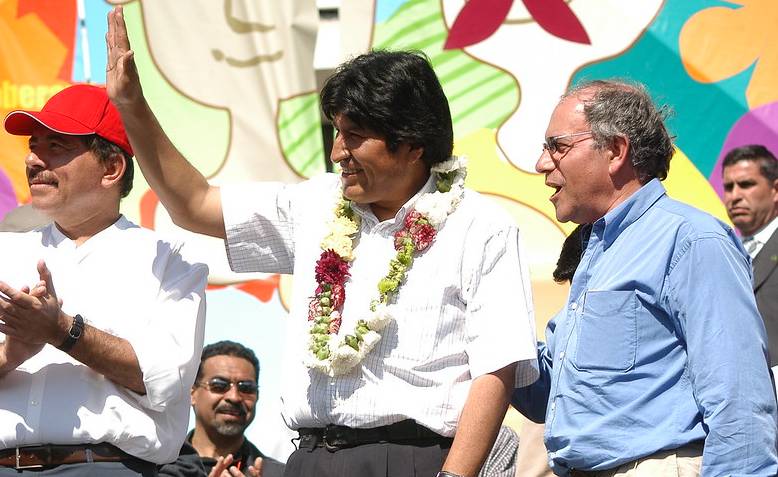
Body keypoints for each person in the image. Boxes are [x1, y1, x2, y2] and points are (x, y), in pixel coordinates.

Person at [106, 7, 539, 477]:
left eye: (355, 136)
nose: (337, 153)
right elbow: (193, 204)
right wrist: (131, 104)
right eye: (335, 132)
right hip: (310, 459)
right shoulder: (314, 205)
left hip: (417, 460)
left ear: (413, 144)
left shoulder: (480, 225)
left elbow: (497, 369)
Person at [512, 80, 778, 476]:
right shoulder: (595, 250)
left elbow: (739, 400)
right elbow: (552, 393)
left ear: (616, 151)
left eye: (558, 145)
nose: (542, 163)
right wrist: (489, 330)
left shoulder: (692, 240)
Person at [0, 84, 208, 475]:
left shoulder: (170, 259)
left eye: (55, 147)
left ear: (111, 168)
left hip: (105, 466)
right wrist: (10, 355)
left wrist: (62, 331)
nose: (32, 159)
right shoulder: (4, 252)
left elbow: (166, 380)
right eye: (33, 144)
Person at [160, 341, 285, 477]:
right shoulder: (157, 466)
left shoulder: (280, 474)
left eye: (246, 388)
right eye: (219, 385)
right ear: (191, 393)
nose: (234, 397)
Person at [721, 145, 778, 369]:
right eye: (728, 187)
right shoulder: (724, 250)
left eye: (746, 184)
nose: (735, 196)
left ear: (775, 190)